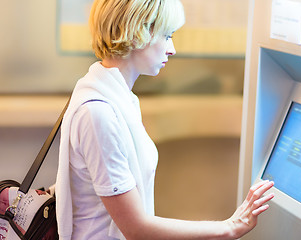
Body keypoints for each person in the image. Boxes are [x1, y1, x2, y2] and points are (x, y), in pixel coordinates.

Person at [55, 0, 275, 239]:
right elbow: (136, 228)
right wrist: (232, 227)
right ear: (137, 33)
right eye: (167, 35)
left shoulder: (116, 96)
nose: (172, 49)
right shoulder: (99, 113)